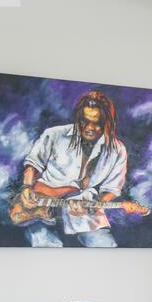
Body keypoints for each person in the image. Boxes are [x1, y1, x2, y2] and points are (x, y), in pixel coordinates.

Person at [18, 90, 129, 247]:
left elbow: (112, 188)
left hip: (84, 212)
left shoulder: (117, 150)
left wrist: (93, 206)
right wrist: (27, 187)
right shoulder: (54, 134)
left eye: (96, 123)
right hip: (40, 207)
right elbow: (33, 163)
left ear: (106, 123)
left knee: (105, 247)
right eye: (84, 121)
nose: (89, 128)